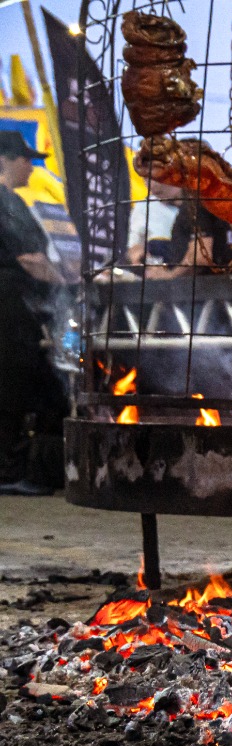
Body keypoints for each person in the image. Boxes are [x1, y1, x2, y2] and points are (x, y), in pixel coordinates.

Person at [0, 130, 67, 496]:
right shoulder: (4, 201)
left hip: (18, 301)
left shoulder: (15, 201)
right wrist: (66, 284)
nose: (31, 165)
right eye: (25, 158)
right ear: (4, 160)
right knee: (13, 382)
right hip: (10, 303)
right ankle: (8, 470)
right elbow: (30, 258)